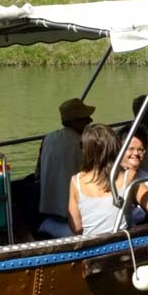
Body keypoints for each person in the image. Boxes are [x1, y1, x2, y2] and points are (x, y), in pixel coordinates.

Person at [68, 124, 148, 236]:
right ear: (115, 147)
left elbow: (76, 227)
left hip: (92, 247)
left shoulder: (76, 181)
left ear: (86, 150)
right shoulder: (128, 176)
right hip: (122, 244)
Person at [37, 97, 95, 238]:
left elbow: (37, 172)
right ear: (74, 121)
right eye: (85, 117)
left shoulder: (48, 138)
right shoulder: (82, 143)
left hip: (48, 208)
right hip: (70, 213)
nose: (90, 121)